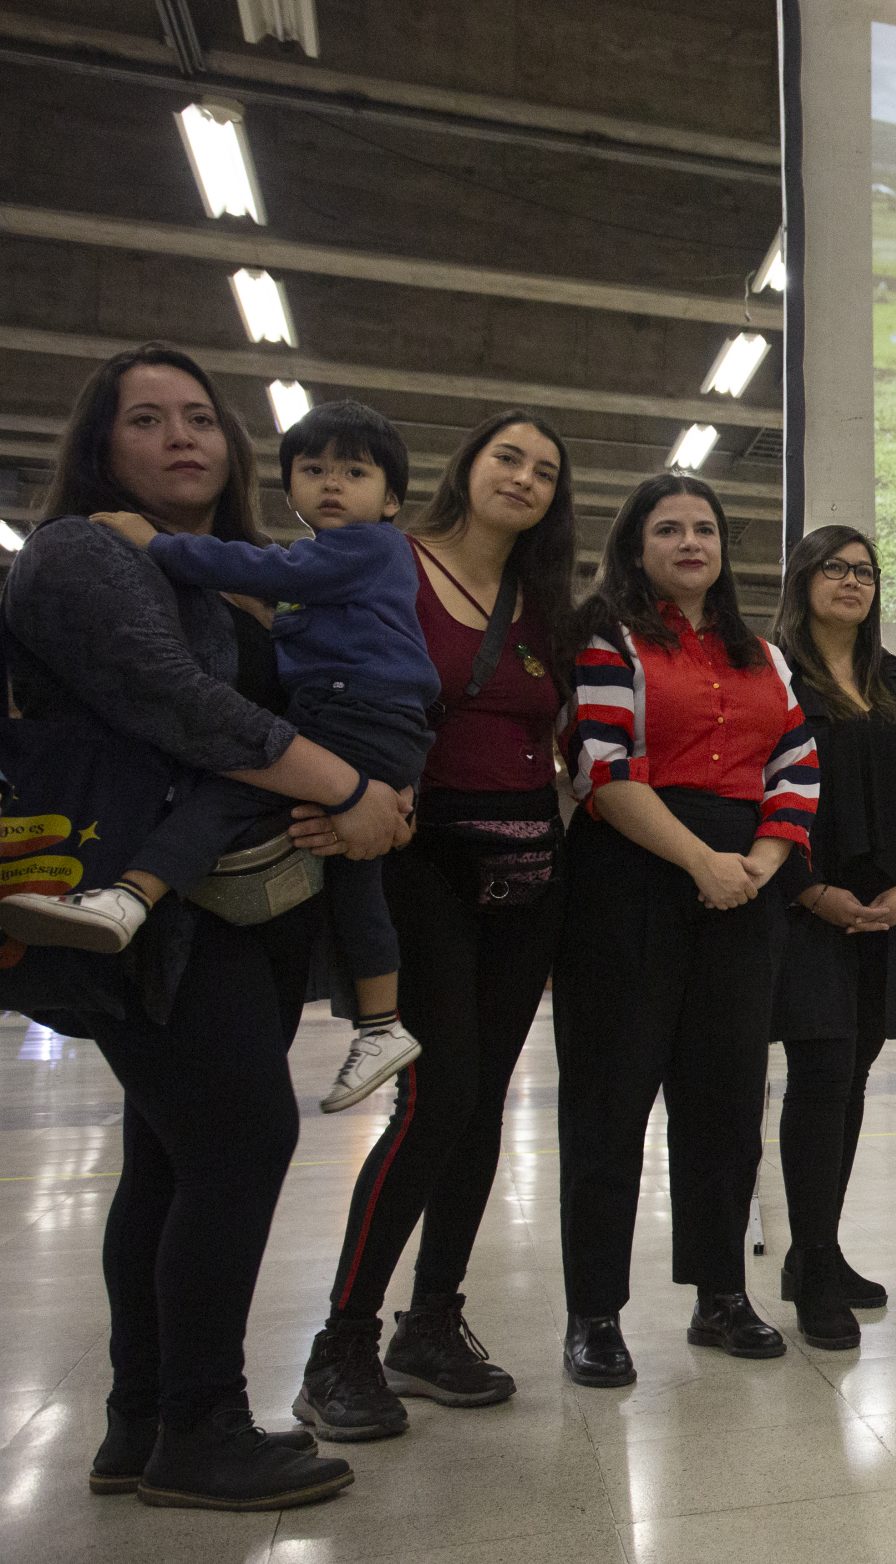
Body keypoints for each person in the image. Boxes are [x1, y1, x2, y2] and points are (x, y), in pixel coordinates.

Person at [4, 344, 409, 1508]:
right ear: (100, 443)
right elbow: (181, 705)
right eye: (146, 419)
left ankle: (142, 1421)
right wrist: (344, 786)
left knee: (170, 1157)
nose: (182, 436)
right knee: (237, 1145)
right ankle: (203, 1426)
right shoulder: (83, 551)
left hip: (239, 903)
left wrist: (376, 793)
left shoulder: (248, 582)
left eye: (199, 418)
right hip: (145, 896)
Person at [6, 400, 438, 1118]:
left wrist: (154, 543)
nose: (332, 484)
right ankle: (381, 1025)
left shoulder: (364, 548)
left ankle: (130, 895)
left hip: (353, 714)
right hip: (366, 720)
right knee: (358, 880)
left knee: (226, 794)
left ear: (390, 500)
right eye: (314, 470)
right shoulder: (333, 572)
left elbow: (263, 570)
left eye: (354, 472)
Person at [292, 409, 578, 1440]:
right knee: (435, 1091)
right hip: (416, 867)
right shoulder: (388, 563)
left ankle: (431, 1321)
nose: (525, 477)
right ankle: (340, 1342)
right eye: (509, 455)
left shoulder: (544, 609)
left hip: (525, 880)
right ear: (468, 464)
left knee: (480, 1101)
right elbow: (311, 673)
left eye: (545, 470)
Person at [554, 474, 817, 1387]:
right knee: (609, 1103)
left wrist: (763, 863)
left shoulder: (762, 655)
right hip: (629, 881)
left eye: (705, 527)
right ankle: (594, 1313)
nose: (691, 542)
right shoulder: (606, 637)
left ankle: (720, 1296)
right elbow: (601, 763)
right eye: (668, 528)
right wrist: (702, 862)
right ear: (635, 546)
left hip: (747, 889)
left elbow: (796, 762)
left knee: (726, 1103)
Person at [768, 525, 896, 1349]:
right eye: (835, 569)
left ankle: (822, 1250)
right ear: (803, 580)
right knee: (821, 1072)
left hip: (891, 914)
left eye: (866, 572)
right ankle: (811, 1267)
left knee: (853, 1078)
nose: (853, 582)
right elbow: (753, 791)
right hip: (803, 908)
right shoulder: (771, 676)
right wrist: (811, 890)